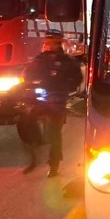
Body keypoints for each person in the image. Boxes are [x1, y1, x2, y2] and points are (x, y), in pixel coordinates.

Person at [21, 29, 83, 177]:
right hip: (41, 98)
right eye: (48, 42)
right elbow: (27, 74)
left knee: (55, 132)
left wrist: (65, 88)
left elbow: (76, 80)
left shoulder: (68, 62)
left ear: (59, 43)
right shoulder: (40, 60)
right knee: (26, 121)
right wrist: (29, 84)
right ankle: (34, 157)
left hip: (58, 99)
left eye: (53, 42)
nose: (50, 45)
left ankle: (54, 164)